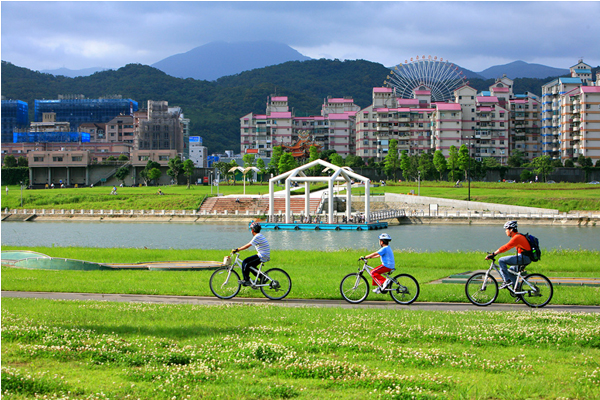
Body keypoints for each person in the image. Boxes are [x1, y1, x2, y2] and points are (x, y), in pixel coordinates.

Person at [486, 220, 532, 289]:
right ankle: (518, 291)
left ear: (511, 230)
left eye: (506, 229)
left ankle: (506, 281)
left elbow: (506, 247)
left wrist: (494, 254)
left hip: (524, 258)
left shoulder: (517, 237)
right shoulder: (518, 236)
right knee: (510, 271)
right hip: (525, 258)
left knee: (501, 260)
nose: (505, 231)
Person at [233, 222, 271, 286]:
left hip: (262, 255)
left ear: (252, 230)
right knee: (250, 266)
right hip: (263, 255)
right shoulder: (260, 235)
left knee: (245, 262)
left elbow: (248, 245)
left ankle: (246, 280)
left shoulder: (257, 237)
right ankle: (262, 277)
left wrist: (237, 249)